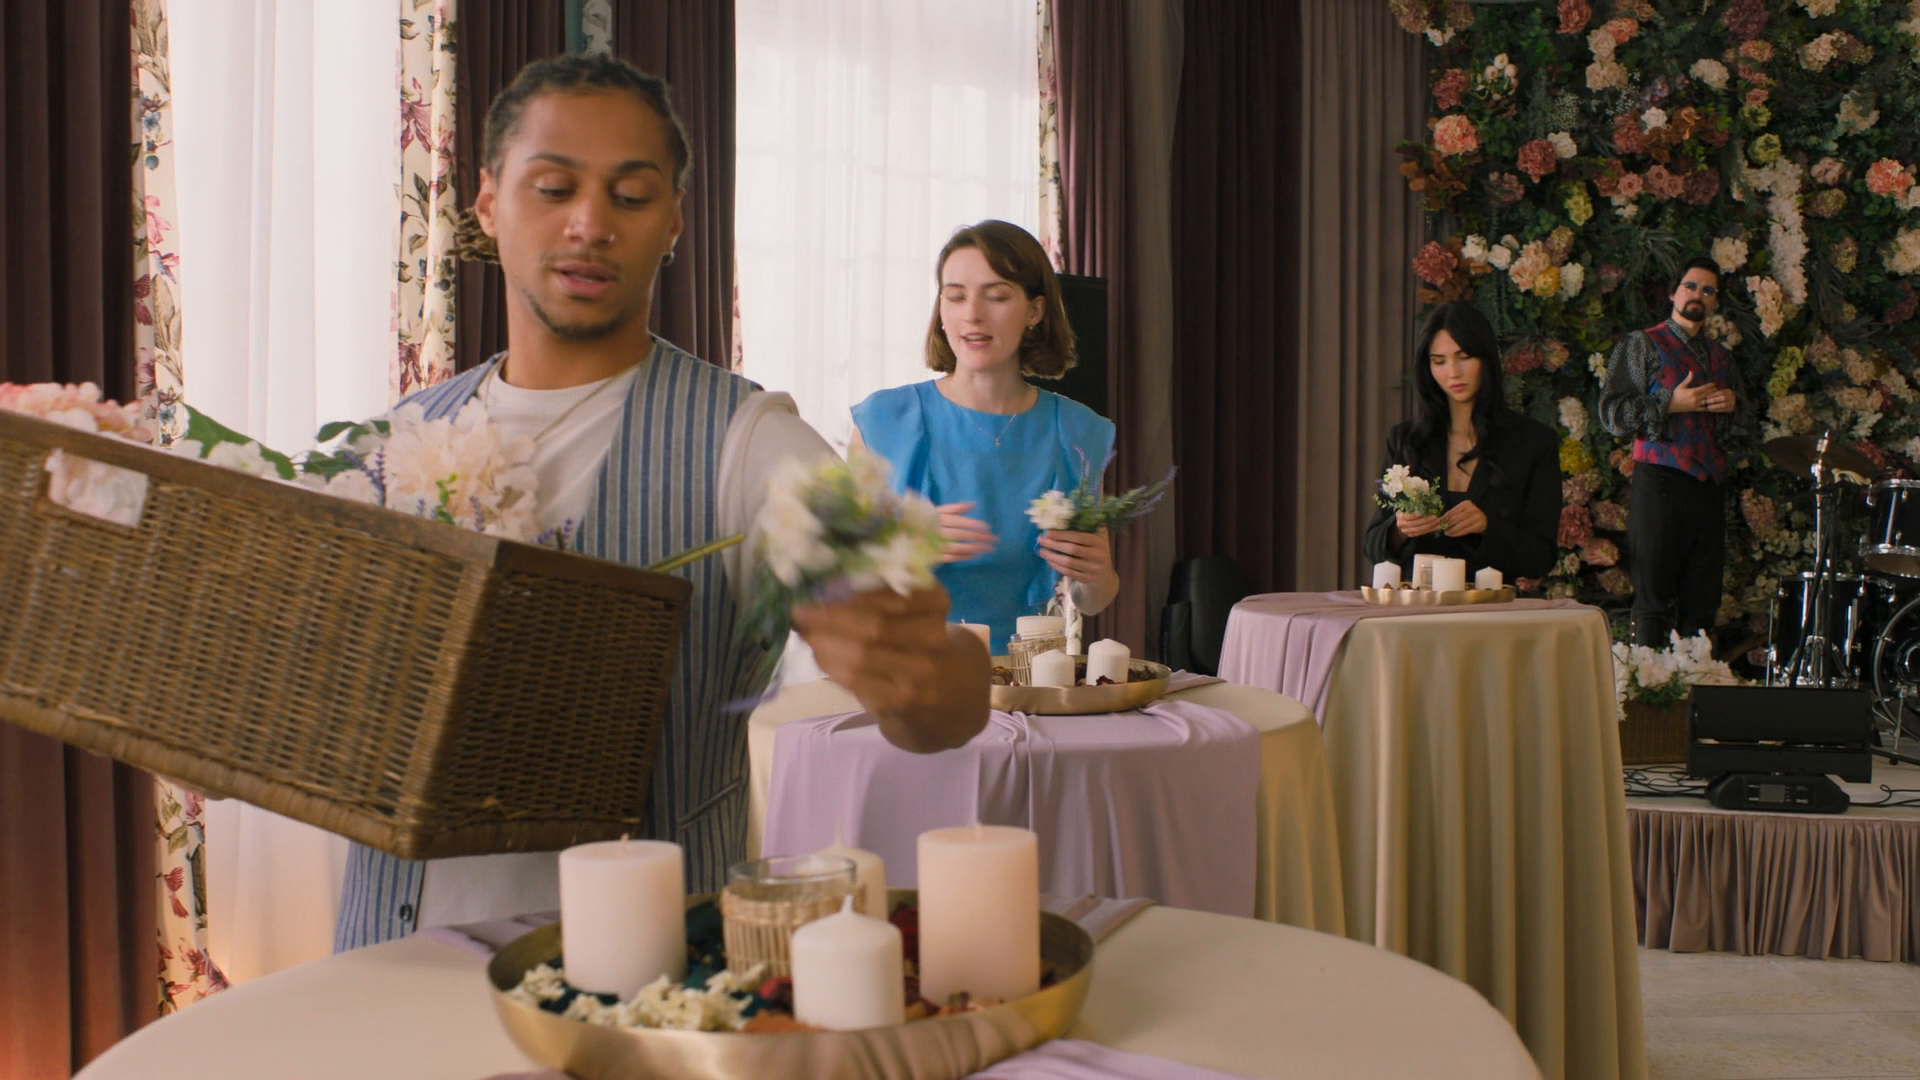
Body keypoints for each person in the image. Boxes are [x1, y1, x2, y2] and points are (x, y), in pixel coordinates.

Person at [334, 54, 989, 951]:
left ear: (675, 221)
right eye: (554, 188)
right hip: (386, 963)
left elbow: (947, 701)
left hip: (646, 988)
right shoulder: (395, 440)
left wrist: (918, 671)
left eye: (632, 196)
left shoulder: (753, 444)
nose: (590, 224)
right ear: (487, 203)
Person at [849, 221, 1119, 654]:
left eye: (996, 296)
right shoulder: (884, 421)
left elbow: (1091, 599)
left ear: (1034, 311)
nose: (972, 314)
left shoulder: (1077, 430)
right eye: (955, 296)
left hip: (1025, 674)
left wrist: (1099, 574)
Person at [1599, 256, 1747, 646]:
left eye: (1708, 290)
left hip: (1709, 487)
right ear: (1673, 293)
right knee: (1652, 600)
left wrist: (1734, 405)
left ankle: (1696, 678)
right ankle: (1647, 678)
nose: (1698, 294)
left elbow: (1743, 431)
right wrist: (1670, 403)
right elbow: (1613, 415)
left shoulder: (1722, 358)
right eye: (1690, 286)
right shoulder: (1641, 344)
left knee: (1703, 603)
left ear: (1715, 302)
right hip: (1660, 481)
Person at [1363, 302, 1560, 584]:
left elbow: (1541, 557)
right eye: (1439, 361)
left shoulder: (1533, 442)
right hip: (1418, 604)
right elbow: (1372, 545)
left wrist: (1487, 527)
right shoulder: (1407, 440)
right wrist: (1400, 528)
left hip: (1492, 605)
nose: (1453, 372)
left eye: (1464, 357)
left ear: (1486, 359)